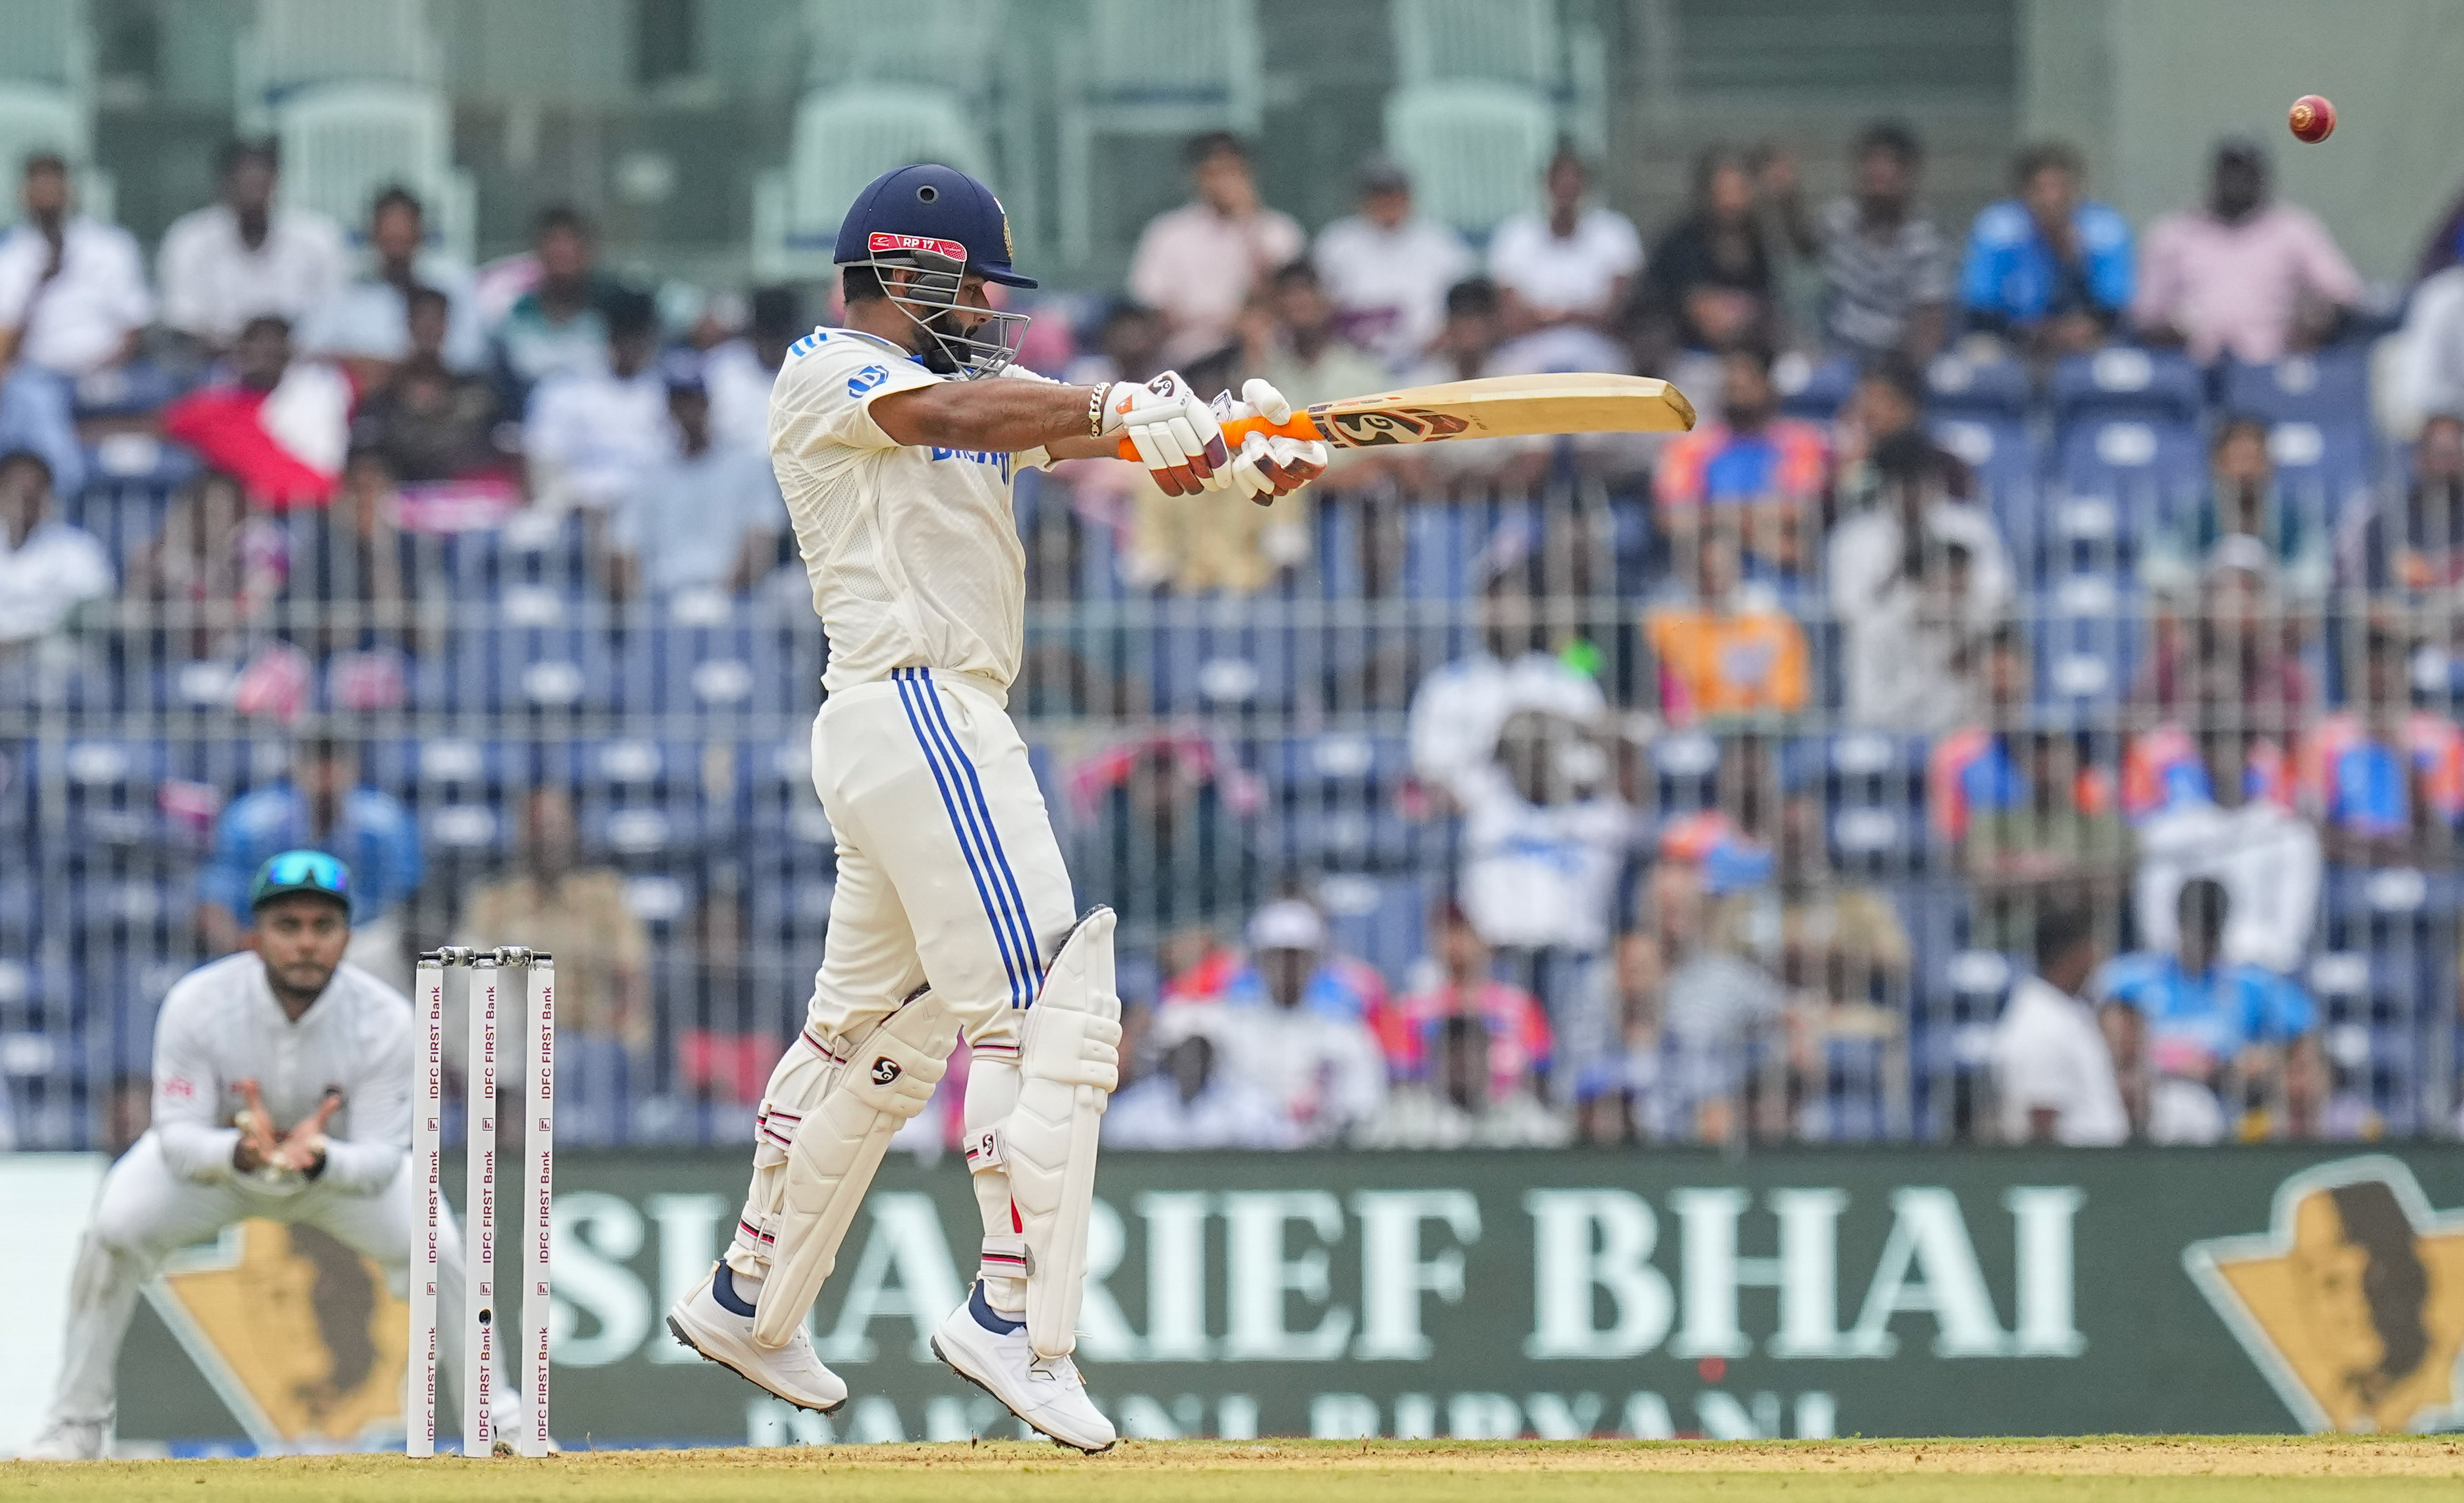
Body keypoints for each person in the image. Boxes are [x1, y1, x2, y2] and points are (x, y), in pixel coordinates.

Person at [661, 164, 1325, 1455]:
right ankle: (1014, 1315)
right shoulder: (832, 367)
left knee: (872, 1033)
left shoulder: (967, 396)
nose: (987, 311)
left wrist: (1231, 442)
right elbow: (982, 407)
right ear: (906, 274)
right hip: (921, 709)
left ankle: (749, 1294)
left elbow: (1075, 432)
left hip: (899, 729)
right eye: (972, 288)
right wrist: (1120, 401)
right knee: (1049, 1010)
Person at [15, 852, 524, 1461]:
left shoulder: (387, 1019)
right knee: (113, 1228)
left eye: (323, 926)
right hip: (220, 1169)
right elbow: (176, 1137)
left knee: (439, 1243)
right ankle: (74, 1424)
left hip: (335, 1176)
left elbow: (383, 1159)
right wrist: (238, 1150)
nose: (306, 943)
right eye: (288, 925)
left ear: (347, 937)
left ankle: (497, 1424)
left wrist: (320, 1160)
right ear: (255, 934)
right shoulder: (198, 1002)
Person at [2099, 876, 2320, 1143]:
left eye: (2211, 933)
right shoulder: (2129, 980)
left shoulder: (2252, 985)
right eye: (2196, 930)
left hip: (2226, 1118)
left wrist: (2251, 1063)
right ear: (2179, 922)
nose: (2203, 943)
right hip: (2145, 1114)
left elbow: (2304, 1043)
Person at [457, 785, 651, 1088]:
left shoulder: (606, 896)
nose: (549, 837)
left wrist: (623, 1040)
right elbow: (468, 980)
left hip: (593, 1040)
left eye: (557, 826)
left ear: (575, 830)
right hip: (513, 1044)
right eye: (539, 827)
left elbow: (631, 977)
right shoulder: (492, 901)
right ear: (523, 834)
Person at [197, 735, 426, 983]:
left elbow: (407, 900)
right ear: (296, 768)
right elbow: (216, 899)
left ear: (355, 770)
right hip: (271, 948)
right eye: (315, 761)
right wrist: (251, 950)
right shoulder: (251, 823)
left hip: (366, 951)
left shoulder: (387, 825)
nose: (326, 775)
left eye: (336, 762)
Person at [1830, 430, 2014, 732]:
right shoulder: (1855, 538)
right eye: (1904, 484)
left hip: (1958, 644)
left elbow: (1999, 596)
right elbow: (1849, 610)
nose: (1914, 493)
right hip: (1891, 652)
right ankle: (1874, 734)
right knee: (1869, 636)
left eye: (1921, 481)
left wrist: (1951, 596)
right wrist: (1898, 577)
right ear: (1885, 486)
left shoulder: (1970, 527)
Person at [2131, 138, 2362, 364]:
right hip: (2190, 367)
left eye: (2247, 171)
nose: (2238, 180)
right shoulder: (2175, 233)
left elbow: (2345, 294)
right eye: (2231, 170)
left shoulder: (2294, 231)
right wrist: (2172, 329)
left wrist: (2313, 316)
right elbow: (2145, 316)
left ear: (2263, 177)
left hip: (2273, 365)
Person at [1407, 546, 1606, 804]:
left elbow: (1593, 767)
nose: (1500, 610)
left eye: (1513, 597)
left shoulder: (1569, 682)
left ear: (1533, 607)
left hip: (1559, 818)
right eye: (1492, 598)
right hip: (1476, 820)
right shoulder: (1444, 688)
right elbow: (1429, 769)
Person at [2134, 723, 2322, 976]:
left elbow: (2288, 938)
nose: (2223, 754)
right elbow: (2158, 930)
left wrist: (2241, 973)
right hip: (2184, 976)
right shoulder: (2167, 834)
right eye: (2211, 743)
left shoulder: (2290, 834)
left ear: (2249, 749)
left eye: (2233, 742)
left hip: (2261, 977)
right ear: (2200, 752)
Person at [1201, 908, 1389, 1146]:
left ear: (1316, 961)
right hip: (1241, 1152)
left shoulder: (1346, 1033)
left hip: (1322, 1154)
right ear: (1257, 960)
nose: (1287, 966)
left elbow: (1365, 1104)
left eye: (1297, 957)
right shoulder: (1225, 1025)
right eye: (1276, 956)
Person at [1774, 121, 1953, 362]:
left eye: (1889, 165)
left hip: (1899, 362)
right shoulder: (1841, 219)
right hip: (1839, 354)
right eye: (1871, 163)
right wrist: (1788, 198)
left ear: (1908, 173)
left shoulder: (1926, 237)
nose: (1878, 174)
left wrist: (1891, 375)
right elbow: (1805, 247)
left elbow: (1929, 321)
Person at [608, 353, 783, 599]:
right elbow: (624, 544)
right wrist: (643, 605)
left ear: (708, 403)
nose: (688, 410)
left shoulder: (746, 465)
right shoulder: (650, 475)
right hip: (664, 599)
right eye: (679, 402)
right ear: (669, 409)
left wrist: (724, 594)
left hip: (734, 599)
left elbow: (763, 534)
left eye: (694, 401)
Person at [1651, 346, 1830, 579]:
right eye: (1731, 386)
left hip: (1783, 568)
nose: (1737, 393)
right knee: (1717, 553)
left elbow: (1802, 510)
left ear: (1768, 385)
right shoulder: (1688, 447)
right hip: (1712, 565)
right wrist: (1753, 531)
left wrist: (1719, 518)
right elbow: (1671, 518)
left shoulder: (1801, 442)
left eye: (1747, 385)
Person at [1128, 132, 1304, 366]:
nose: (1225, 183)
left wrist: (1249, 226)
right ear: (1196, 177)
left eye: (1233, 172)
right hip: (1189, 358)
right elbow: (1156, 310)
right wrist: (1227, 322)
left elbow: (1285, 301)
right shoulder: (1168, 233)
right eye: (1214, 173)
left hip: (1260, 359)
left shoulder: (1278, 231)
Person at [2300, 621, 2464, 869]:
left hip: (2420, 862)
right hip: (2345, 862)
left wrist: (2399, 752)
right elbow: (2311, 820)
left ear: (2404, 674)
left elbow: (2444, 828)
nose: (2378, 679)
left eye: (2387, 669)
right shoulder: (2324, 737)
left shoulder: (2442, 738)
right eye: (2370, 670)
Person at [157, 139, 347, 353]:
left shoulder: (318, 238)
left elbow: (333, 312)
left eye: (261, 181)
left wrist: (276, 352)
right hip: (215, 359)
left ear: (275, 181)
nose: (254, 189)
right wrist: (245, 351)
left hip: (298, 358)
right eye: (245, 180)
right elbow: (182, 318)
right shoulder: (189, 239)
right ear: (225, 184)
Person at [159, 314, 353, 510]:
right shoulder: (214, 406)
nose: (261, 358)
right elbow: (160, 427)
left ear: (287, 354)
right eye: (252, 347)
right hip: (245, 512)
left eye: (272, 351)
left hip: (310, 510)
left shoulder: (317, 397)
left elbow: (324, 480)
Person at [1961, 141, 2134, 355]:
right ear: (2023, 192)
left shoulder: (2104, 229)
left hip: (2086, 341)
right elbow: (1980, 309)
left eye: (2062, 187)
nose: (2053, 198)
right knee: (1980, 352)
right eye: (2041, 189)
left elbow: (2113, 309)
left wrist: (2073, 260)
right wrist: (2037, 333)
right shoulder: (1997, 229)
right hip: (2011, 339)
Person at [1371, 899, 1554, 1100]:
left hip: (1506, 1111)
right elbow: (1401, 1078)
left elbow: (1538, 1074)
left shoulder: (1520, 1007)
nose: (1455, 941)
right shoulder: (1407, 1010)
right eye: (1446, 930)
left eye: (1464, 929)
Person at [2141, 415, 2331, 608]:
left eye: (2254, 459)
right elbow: (2159, 570)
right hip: (2204, 613)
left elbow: (2315, 575)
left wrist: (2259, 587)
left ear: (2271, 465)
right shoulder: (2191, 517)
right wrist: (2215, 585)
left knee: (2305, 611)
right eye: (2236, 460)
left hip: (2275, 614)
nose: (2246, 470)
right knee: (2161, 608)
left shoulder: (2295, 519)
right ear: (2215, 464)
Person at [301, 185, 485, 379]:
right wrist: (358, 363)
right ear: (372, 234)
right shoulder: (348, 287)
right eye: (389, 237)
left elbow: (471, 354)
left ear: (420, 234)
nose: (396, 247)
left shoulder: (451, 282)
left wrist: (398, 368)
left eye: (404, 237)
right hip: (361, 390)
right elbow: (309, 346)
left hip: (439, 386)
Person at [1644, 515, 1810, 726]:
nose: (1715, 581)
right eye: (1707, 571)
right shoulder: (1670, 622)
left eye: (1722, 569)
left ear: (1738, 568)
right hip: (1695, 728)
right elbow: (1669, 692)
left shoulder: (1770, 621)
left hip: (1762, 729)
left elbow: (1787, 697)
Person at [0, 151, 151, 379]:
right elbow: (7, 340)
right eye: (39, 186)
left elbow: (135, 324)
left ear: (70, 190)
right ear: (23, 194)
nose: (47, 193)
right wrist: (40, 282)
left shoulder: (111, 245)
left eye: (53, 184)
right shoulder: (11, 254)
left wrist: (100, 371)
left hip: (109, 370)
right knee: (34, 394)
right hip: (38, 373)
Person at [1311, 157, 1473, 369]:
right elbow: (1319, 306)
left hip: (1430, 361)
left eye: (1394, 194)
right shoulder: (1337, 243)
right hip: (1353, 364)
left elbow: (1467, 307)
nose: (1387, 203)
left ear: (1408, 197)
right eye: (1379, 195)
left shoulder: (1441, 244)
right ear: (1362, 200)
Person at [523, 287, 672, 513]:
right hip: (578, 512)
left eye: (640, 335)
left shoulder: (668, 392)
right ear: (610, 335)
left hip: (650, 511)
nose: (632, 344)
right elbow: (544, 466)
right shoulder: (564, 389)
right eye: (624, 334)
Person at [1989, 902, 2128, 1145]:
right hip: (2075, 1165)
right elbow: (2042, 1124)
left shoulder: (2066, 1011)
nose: (2097, 960)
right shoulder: (2040, 1025)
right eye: (2091, 949)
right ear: (2073, 955)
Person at [1630, 146, 1781, 368]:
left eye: (1739, 190)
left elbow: (1769, 309)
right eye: (1724, 191)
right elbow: (1710, 322)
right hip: (1680, 355)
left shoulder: (1759, 242)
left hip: (1747, 357)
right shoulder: (1682, 243)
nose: (1732, 201)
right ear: (1707, 194)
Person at [349, 286, 514, 487]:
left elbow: (502, 447)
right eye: (421, 318)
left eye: (437, 319)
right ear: (408, 324)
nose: (429, 328)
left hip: (465, 496)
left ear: (447, 325)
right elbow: (366, 458)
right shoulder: (383, 400)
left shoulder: (477, 394)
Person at [1487, 141, 1642, 337]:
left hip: (1598, 343)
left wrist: (1552, 316)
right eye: (1559, 182)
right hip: (1529, 344)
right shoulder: (1515, 236)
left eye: (1574, 183)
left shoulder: (1615, 233)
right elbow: (1512, 318)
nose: (1566, 191)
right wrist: (1574, 316)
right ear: (1546, 185)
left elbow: (1614, 314)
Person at [1101, 1003, 1296, 1150]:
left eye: (1201, 1051)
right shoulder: (1134, 1110)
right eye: (1184, 1050)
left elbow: (1277, 1147)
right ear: (1170, 1055)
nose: (1192, 1060)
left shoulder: (1248, 1108)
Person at [490, 205, 619, 400]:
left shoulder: (614, 313)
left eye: (570, 244)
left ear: (588, 252)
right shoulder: (515, 316)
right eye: (554, 243)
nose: (561, 253)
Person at [0, 449, 110, 647]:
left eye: (32, 493)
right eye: (14, 491)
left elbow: (96, 608)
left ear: (47, 495)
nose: (23, 501)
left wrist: (28, 642)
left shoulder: (78, 549)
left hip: (52, 651)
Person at [2346, 410, 2464, 595]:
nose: (2447, 466)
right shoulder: (2386, 525)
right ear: (2419, 457)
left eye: (2455, 453)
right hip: (2406, 612)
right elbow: (2371, 601)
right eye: (2440, 453)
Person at [704, 285, 803, 459]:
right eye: (766, 334)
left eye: (779, 336)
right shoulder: (723, 367)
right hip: (729, 467)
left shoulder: (810, 371)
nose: (772, 343)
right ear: (754, 332)